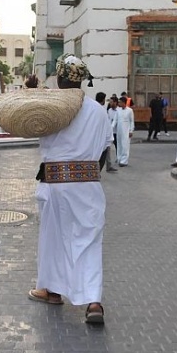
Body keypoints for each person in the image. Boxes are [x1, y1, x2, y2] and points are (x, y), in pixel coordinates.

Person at [27, 54, 111, 324]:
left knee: (54, 239)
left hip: (56, 184)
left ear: (60, 79)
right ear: (82, 81)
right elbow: (104, 149)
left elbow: (32, 129)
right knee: (88, 241)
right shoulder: (98, 111)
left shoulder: (50, 108)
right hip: (88, 184)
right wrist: (88, 173)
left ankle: (52, 291)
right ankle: (93, 301)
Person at [95, 92, 118, 172]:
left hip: (98, 136)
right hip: (102, 136)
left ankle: (108, 166)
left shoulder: (94, 108)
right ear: (103, 100)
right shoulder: (102, 111)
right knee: (102, 155)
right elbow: (107, 125)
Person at [113, 96, 134, 167]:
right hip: (119, 130)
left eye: (120, 102)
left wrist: (131, 130)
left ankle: (124, 161)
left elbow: (131, 121)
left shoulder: (130, 110)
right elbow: (115, 120)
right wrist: (111, 128)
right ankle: (119, 158)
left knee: (125, 145)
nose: (119, 103)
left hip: (126, 130)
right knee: (119, 145)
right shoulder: (118, 110)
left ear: (124, 103)